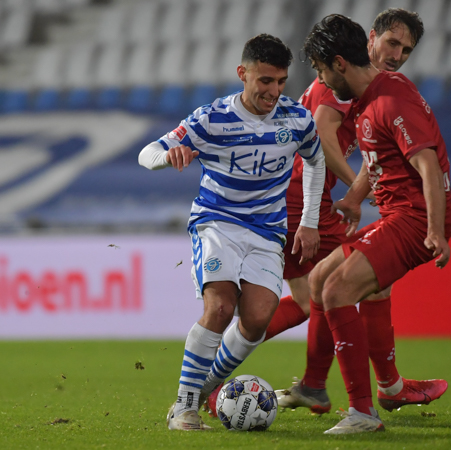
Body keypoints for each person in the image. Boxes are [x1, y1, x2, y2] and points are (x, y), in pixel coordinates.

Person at [138, 34, 326, 430]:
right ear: (243, 73)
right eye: (265, 81)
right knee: (221, 307)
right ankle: (185, 408)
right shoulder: (212, 118)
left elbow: (315, 160)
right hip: (217, 222)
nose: (274, 91)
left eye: (281, 81)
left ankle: (202, 387)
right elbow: (147, 153)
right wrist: (168, 155)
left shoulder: (297, 119)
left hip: (267, 232)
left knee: (257, 318)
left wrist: (309, 220)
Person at [267, 8, 447, 416]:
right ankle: (377, 389)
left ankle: (323, 385)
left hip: (295, 194)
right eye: (392, 43)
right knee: (340, 287)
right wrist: (356, 186)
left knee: (323, 292)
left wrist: (354, 195)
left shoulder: (372, 89)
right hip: (301, 195)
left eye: (406, 50)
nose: (397, 55)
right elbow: (323, 136)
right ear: (371, 39)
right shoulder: (345, 79)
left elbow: (376, 151)